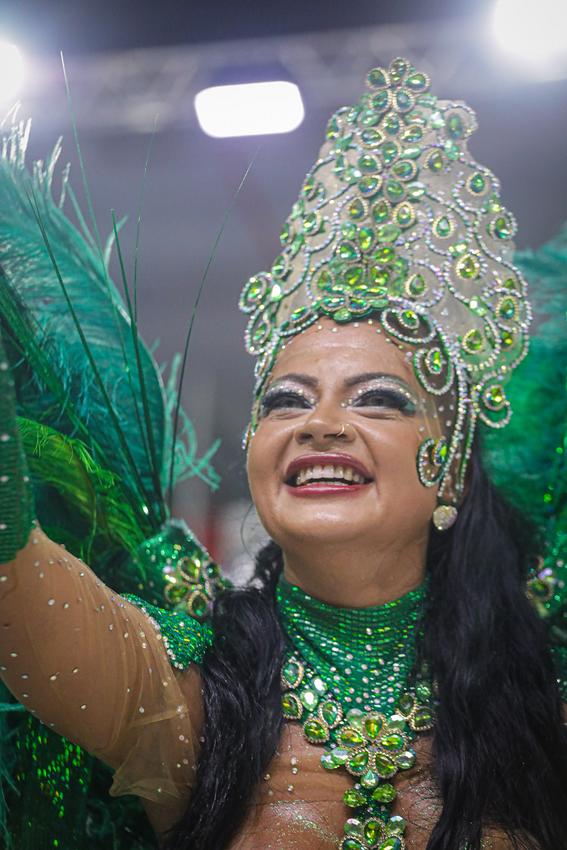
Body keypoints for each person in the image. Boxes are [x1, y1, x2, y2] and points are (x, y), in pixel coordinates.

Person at [0, 57, 566, 850]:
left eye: (375, 398)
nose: (318, 422)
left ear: (450, 470)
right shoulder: (191, 694)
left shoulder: (541, 700)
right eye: (284, 401)